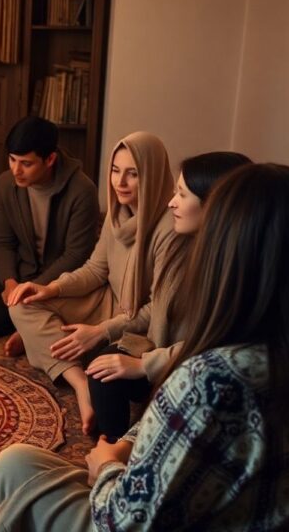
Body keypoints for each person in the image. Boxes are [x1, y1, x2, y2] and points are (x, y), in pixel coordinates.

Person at [0, 163, 289, 530]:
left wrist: (109, 465)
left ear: (233, 257)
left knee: (10, 468)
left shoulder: (216, 379)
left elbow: (123, 520)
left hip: (124, 508)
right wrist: (131, 439)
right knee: (21, 461)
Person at [7, 132, 180, 435]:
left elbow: (158, 309)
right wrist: (51, 288)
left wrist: (101, 331)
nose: (120, 182)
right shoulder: (119, 211)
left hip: (141, 324)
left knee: (104, 366)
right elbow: (95, 270)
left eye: (132, 174)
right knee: (23, 304)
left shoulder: (170, 229)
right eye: (115, 171)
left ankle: (68, 348)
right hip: (108, 301)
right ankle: (78, 382)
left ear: (151, 175)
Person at [84, 151, 251, 440]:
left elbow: (211, 349)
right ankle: (115, 444)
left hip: (189, 370)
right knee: (102, 368)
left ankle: (125, 458)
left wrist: (143, 365)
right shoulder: (184, 243)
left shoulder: (234, 271)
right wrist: (109, 335)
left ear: (215, 204)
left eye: (182, 195)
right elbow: (156, 308)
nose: (172, 202)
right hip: (160, 349)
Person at [0, 116, 99, 354]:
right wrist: (10, 282)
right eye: (12, 160)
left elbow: (76, 254)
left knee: (70, 316)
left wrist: (35, 289)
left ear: (50, 159)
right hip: (22, 271)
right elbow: (3, 242)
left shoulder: (82, 190)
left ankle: (30, 330)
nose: (16, 170)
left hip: (60, 279)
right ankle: (32, 327)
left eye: (26, 164)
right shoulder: (5, 184)